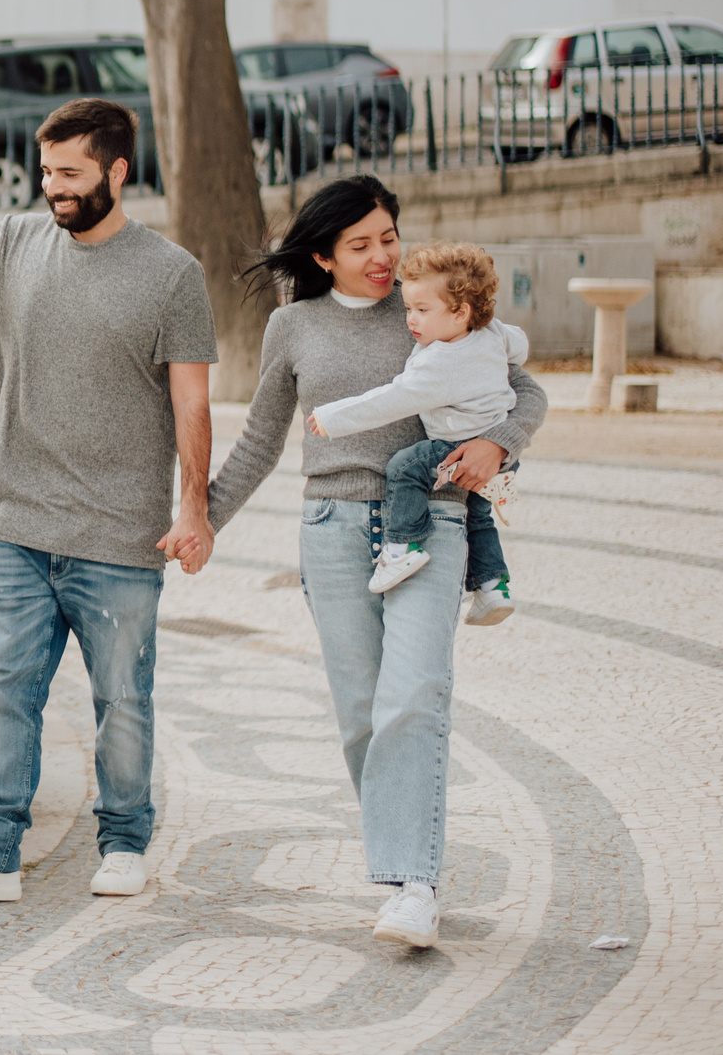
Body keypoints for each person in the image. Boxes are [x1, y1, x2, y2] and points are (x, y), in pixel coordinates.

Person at [0, 98, 218, 906]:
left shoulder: (172, 274)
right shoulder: (14, 243)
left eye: (70, 173)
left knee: (123, 700)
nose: (53, 187)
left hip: (120, 532)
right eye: (47, 172)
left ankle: (126, 839)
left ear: (117, 171)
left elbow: (193, 405)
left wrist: (194, 508)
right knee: (6, 690)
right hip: (14, 520)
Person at [208, 177, 546, 950]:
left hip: (430, 518)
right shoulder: (292, 326)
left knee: (413, 696)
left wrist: (499, 444)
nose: (383, 256)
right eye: (361, 244)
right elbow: (264, 436)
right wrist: (204, 519)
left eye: (389, 236)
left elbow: (523, 392)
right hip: (329, 525)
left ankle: (415, 886)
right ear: (323, 255)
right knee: (363, 714)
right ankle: (401, 876)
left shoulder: (433, 306)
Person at [305, 240, 521, 621]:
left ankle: (403, 547)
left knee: (404, 468)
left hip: (455, 448)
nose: (411, 320)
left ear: (460, 313)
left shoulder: (438, 363)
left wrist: (331, 417)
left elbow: (390, 400)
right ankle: (492, 586)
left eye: (422, 310)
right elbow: (519, 346)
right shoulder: (492, 333)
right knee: (479, 517)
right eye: (408, 308)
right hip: (499, 455)